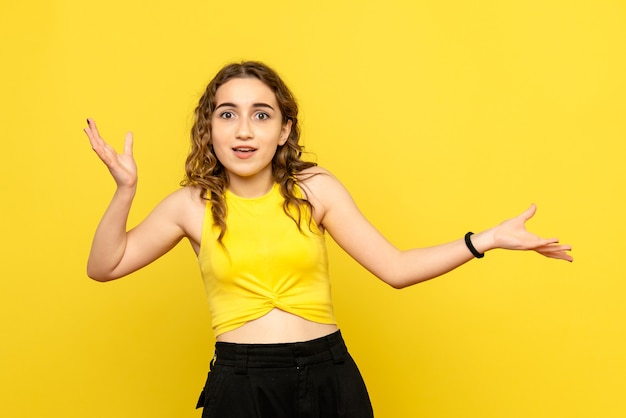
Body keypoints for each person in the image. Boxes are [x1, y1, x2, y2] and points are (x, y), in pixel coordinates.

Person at [84, 61, 572, 417]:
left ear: (284, 129)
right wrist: (126, 190)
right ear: (209, 129)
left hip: (328, 376)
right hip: (241, 385)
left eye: (261, 115)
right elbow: (106, 265)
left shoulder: (313, 189)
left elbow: (396, 269)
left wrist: (483, 239)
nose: (244, 130)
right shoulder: (191, 204)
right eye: (227, 114)